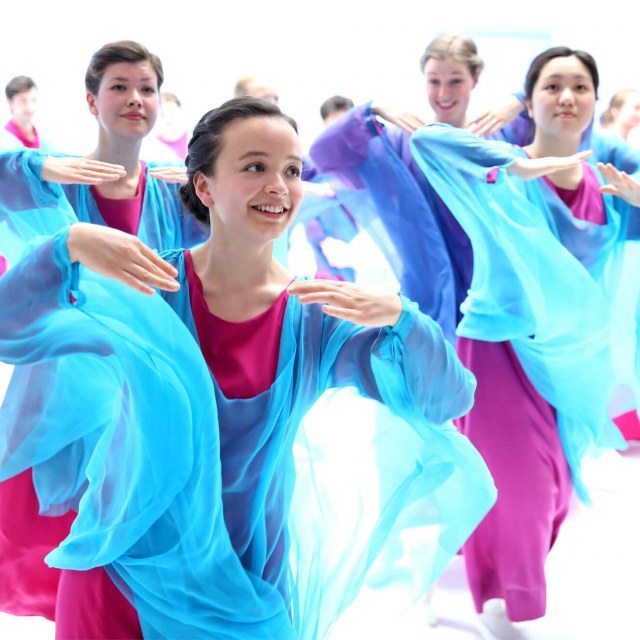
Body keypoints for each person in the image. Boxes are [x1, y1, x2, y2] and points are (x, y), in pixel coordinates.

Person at [0, 96, 496, 638]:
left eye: (292, 171)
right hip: (120, 573)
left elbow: (447, 401)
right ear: (204, 186)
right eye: (255, 167)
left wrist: (404, 319)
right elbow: (10, 328)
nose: (279, 186)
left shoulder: (315, 316)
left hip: (244, 583)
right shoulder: (149, 287)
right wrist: (66, 246)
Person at [410, 46, 640, 639]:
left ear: (595, 101)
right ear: (529, 100)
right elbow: (428, 143)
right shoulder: (501, 172)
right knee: (525, 490)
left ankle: (458, 562)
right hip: (498, 350)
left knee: (556, 492)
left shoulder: (608, 185)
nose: (567, 97)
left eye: (580, 87)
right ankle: (503, 601)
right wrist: (513, 162)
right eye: (551, 86)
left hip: (568, 363)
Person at [0, 39, 206, 625]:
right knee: (61, 553)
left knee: (129, 557)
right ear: (92, 101)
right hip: (64, 397)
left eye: (146, 88)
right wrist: (34, 165)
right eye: (119, 87)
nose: (135, 98)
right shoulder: (60, 183)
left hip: (143, 398)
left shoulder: (173, 195)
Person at [309, 33, 523, 344]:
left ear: (475, 78)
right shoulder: (403, 142)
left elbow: (561, 122)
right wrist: (373, 108)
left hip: (494, 288)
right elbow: (325, 152)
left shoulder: (498, 138)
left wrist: (519, 100)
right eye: (434, 81)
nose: (443, 93)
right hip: (429, 288)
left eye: (455, 81)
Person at [1, 75, 53, 152]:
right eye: (22, 101)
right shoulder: (4, 144)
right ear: (9, 102)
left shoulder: (44, 141)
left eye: (33, 100)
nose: (30, 107)